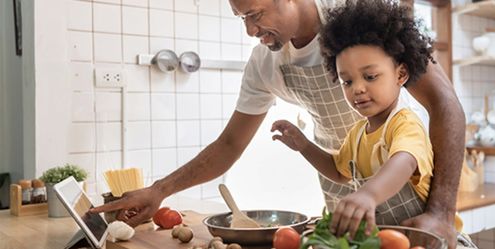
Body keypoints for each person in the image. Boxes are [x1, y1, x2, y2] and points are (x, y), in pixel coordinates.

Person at [92, 0, 466, 247]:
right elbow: (228, 147)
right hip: (345, 184)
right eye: (243, 18)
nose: (250, 30)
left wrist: (440, 213)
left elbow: (445, 105)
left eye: (255, 14)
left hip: (406, 193)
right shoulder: (265, 63)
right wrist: (160, 190)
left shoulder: (357, 24)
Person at [271, 0, 436, 237]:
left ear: (400, 74)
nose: (357, 89)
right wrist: (304, 146)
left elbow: (405, 161)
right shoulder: (358, 134)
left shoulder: (404, 123)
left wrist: (368, 194)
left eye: (370, 76)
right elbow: (339, 172)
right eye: (347, 81)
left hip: (428, 239)